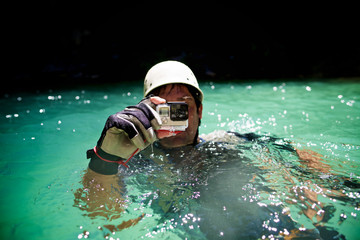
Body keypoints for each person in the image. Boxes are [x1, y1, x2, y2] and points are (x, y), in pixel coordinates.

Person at [75, 60, 342, 238]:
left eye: (183, 106)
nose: (175, 117)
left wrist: (313, 188)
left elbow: (296, 152)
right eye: (164, 108)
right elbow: (100, 213)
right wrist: (106, 158)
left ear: (199, 110)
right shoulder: (132, 160)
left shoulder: (227, 140)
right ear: (148, 112)